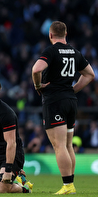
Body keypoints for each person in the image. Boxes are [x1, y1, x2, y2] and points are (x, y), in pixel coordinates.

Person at [32, 21, 95, 194]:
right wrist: (72, 89)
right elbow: (90, 74)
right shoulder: (75, 52)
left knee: (59, 146)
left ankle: (67, 185)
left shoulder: (51, 51)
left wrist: (38, 86)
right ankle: (71, 184)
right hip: (70, 101)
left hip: (55, 102)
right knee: (67, 145)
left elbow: (36, 70)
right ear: (65, 34)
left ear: (50, 35)